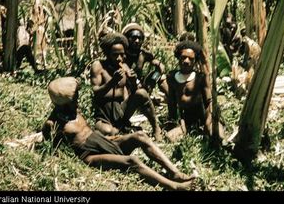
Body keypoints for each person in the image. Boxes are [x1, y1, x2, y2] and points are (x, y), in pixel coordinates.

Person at [42, 77, 195, 191]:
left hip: (101, 141)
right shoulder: (52, 123)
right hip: (89, 155)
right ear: (63, 101)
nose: (77, 99)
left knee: (140, 136)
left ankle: (174, 172)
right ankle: (173, 187)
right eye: (74, 97)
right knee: (131, 161)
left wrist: (108, 139)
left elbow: (88, 131)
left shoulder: (74, 110)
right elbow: (56, 151)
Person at [90, 32, 162, 141]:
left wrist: (133, 81)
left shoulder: (124, 66)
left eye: (122, 54)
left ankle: (156, 128)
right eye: (115, 55)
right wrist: (112, 82)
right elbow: (96, 92)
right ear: (107, 53)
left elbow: (134, 92)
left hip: (121, 111)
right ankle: (122, 129)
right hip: (105, 114)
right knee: (110, 132)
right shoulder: (98, 66)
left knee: (141, 93)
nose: (119, 58)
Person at [165, 40, 224, 142]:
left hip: (203, 117)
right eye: (183, 57)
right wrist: (173, 123)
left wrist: (208, 121)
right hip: (186, 121)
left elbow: (209, 101)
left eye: (191, 59)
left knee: (217, 137)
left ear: (195, 61)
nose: (186, 61)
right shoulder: (172, 77)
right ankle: (190, 131)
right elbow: (172, 103)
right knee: (170, 138)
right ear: (178, 58)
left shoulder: (200, 77)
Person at [121, 23, 166, 93]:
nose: (137, 41)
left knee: (161, 76)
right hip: (126, 86)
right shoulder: (121, 54)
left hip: (140, 84)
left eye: (140, 38)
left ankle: (173, 101)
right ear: (126, 38)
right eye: (134, 38)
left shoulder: (143, 54)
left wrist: (159, 65)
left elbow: (158, 63)